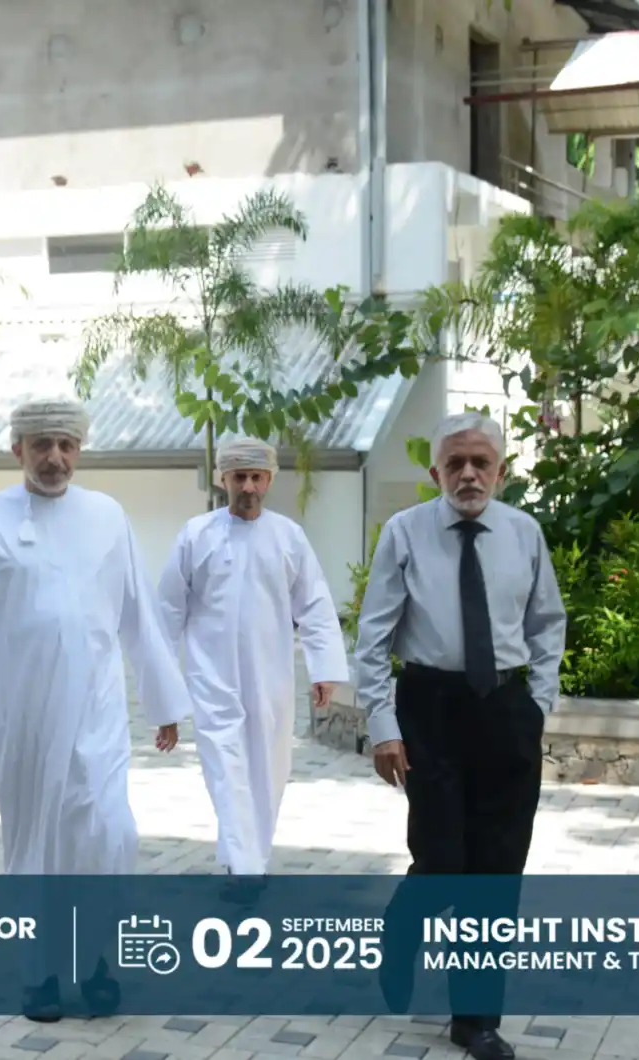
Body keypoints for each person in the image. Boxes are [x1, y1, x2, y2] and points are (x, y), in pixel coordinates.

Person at [0, 398, 192, 1020]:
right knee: (37, 847)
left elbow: (138, 611)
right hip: (19, 715)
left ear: (79, 450)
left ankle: (96, 959)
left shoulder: (106, 515)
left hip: (96, 711)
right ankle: (41, 973)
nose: (55, 458)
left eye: (66, 445)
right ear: (17, 450)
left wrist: (163, 700)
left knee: (108, 833)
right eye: (42, 445)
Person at [353, 411, 566, 1060]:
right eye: (455, 463)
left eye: (481, 463)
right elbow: (372, 638)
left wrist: (536, 705)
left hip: (505, 710)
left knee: (497, 871)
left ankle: (474, 1019)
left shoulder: (524, 533)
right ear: (435, 471)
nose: (468, 474)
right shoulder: (405, 532)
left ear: (501, 470)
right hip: (431, 708)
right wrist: (383, 727)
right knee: (443, 859)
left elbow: (546, 624)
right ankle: (404, 924)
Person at [158, 436, 348, 894]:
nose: (247, 486)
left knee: (268, 771)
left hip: (271, 676)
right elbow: (166, 612)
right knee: (226, 770)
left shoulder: (288, 537)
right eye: (239, 476)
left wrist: (324, 669)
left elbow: (315, 604)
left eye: (256, 477)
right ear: (222, 479)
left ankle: (244, 859)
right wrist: (164, 695)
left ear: (269, 479)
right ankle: (246, 871)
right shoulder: (196, 535)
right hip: (211, 677)